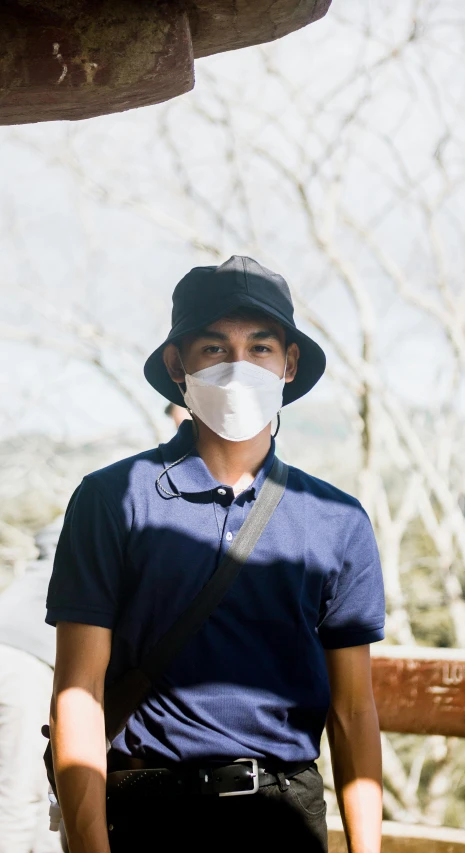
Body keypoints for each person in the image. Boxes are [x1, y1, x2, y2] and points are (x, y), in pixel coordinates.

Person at [46, 256, 385, 853]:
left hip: (285, 818)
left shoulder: (339, 519)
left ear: (289, 362)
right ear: (178, 364)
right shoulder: (113, 499)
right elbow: (80, 691)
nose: (238, 368)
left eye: (260, 348)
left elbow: (354, 711)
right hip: (148, 816)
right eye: (213, 349)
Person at [0, 520, 64, 853]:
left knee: (38, 786)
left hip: (10, 650)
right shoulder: (98, 528)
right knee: (21, 790)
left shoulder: (56, 542)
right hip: (25, 660)